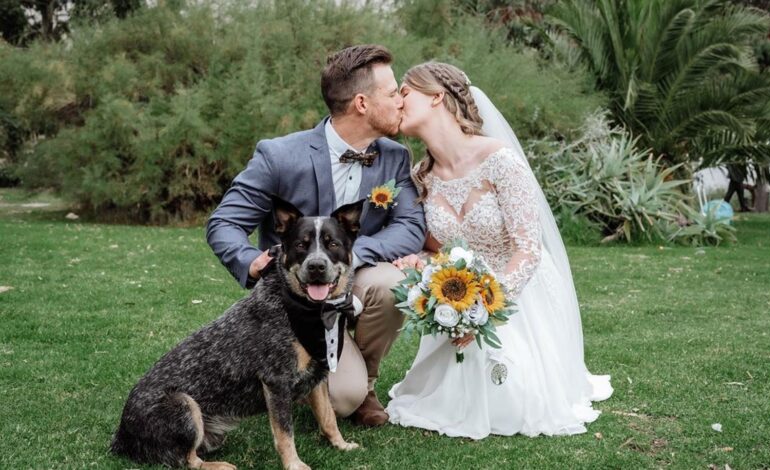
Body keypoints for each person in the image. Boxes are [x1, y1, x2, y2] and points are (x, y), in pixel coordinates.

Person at [386, 62, 613, 439]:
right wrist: (421, 262)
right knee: (437, 397)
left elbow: (528, 249)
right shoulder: (420, 178)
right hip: (455, 294)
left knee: (515, 396)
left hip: (516, 292)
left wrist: (484, 310)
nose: (397, 102)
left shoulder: (501, 161)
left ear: (437, 97)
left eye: (405, 92)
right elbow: (439, 249)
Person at [206, 45, 426, 426]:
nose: (400, 102)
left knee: (392, 283)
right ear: (361, 102)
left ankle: (367, 382)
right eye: (392, 94)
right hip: (297, 300)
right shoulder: (279, 156)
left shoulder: (394, 156)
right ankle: (335, 374)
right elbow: (223, 223)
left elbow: (410, 226)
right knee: (342, 400)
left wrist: (353, 256)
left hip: (356, 281)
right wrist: (250, 261)